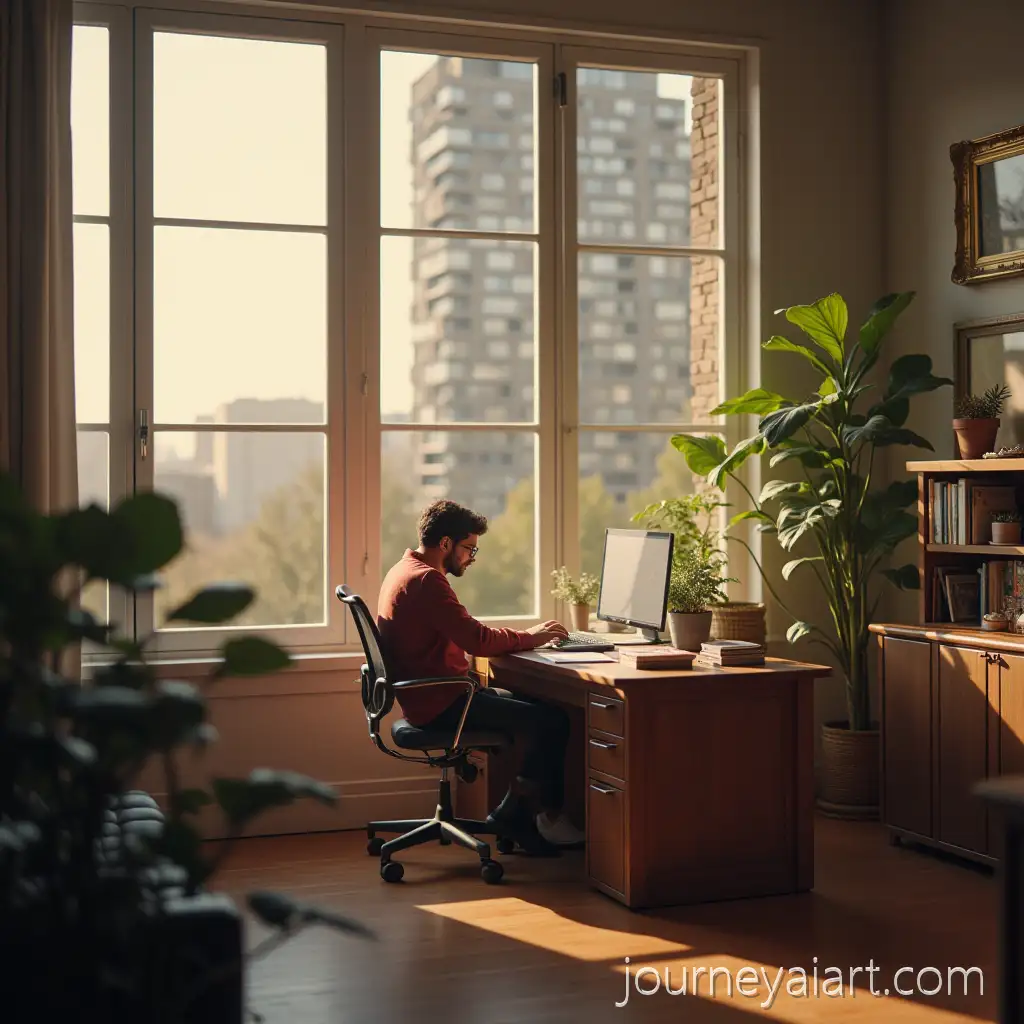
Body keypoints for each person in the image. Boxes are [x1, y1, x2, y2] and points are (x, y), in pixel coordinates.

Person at [377, 499, 585, 854]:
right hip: (442, 702)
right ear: (445, 544)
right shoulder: (428, 580)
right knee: (551, 721)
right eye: (469, 548)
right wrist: (532, 637)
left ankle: (515, 812)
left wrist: (520, 638)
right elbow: (476, 640)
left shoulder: (403, 569)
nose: (472, 557)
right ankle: (527, 816)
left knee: (537, 707)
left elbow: (467, 634)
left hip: (427, 698)